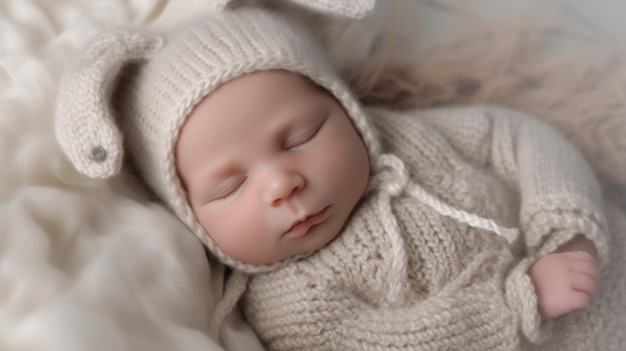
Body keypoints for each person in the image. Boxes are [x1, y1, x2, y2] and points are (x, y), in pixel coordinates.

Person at [54, 1, 609, 350]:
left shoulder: (406, 137)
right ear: (191, 216)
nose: (281, 183)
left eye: (300, 137)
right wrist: (519, 300)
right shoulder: (289, 300)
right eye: (230, 186)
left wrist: (563, 221)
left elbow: (517, 136)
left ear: (344, 108)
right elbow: (378, 343)